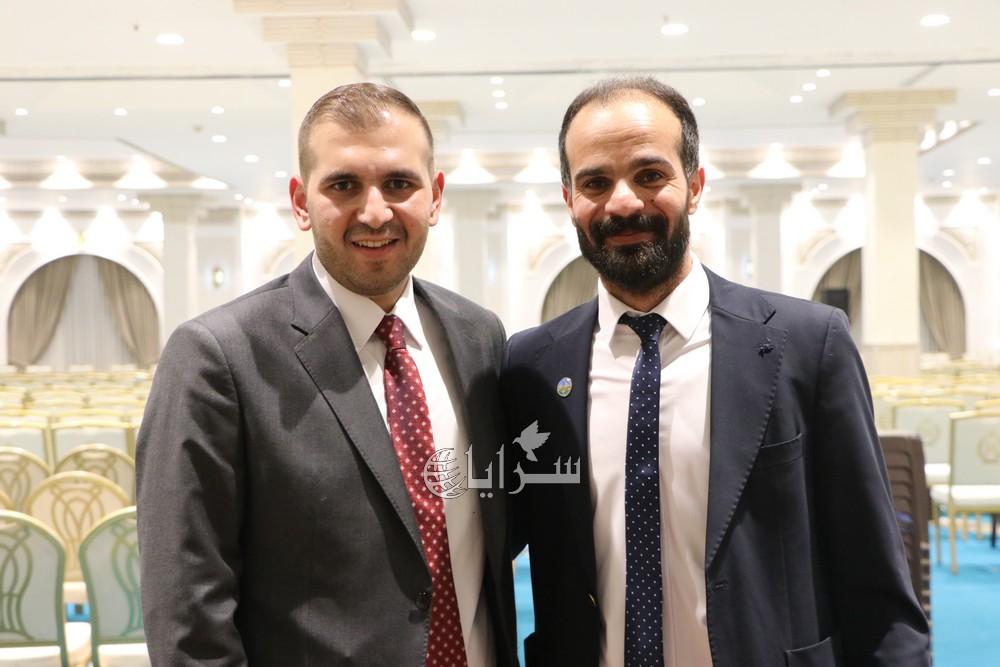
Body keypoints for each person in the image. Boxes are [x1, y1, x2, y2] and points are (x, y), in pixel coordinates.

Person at [502, 76, 930, 666]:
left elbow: (876, 579)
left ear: (695, 185)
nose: (623, 203)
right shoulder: (532, 366)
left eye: (650, 175)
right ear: (569, 199)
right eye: (595, 183)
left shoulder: (808, 345)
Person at [136, 82, 518, 666]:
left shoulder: (478, 336)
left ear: (435, 197)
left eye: (399, 184)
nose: (375, 211)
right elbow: (187, 612)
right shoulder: (217, 357)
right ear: (300, 201)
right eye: (343, 185)